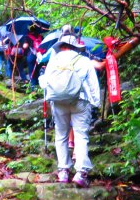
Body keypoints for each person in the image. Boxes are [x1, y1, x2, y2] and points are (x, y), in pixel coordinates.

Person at [39, 35, 101, 187]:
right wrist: (95, 102)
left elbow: (44, 82)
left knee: (61, 135)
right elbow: (93, 83)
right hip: (80, 100)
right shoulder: (83, 60)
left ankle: (63, 171)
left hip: (59, 102)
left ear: (61, 46)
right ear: (74, 46)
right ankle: (80, 173)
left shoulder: (53, 61)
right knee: (80, 135)